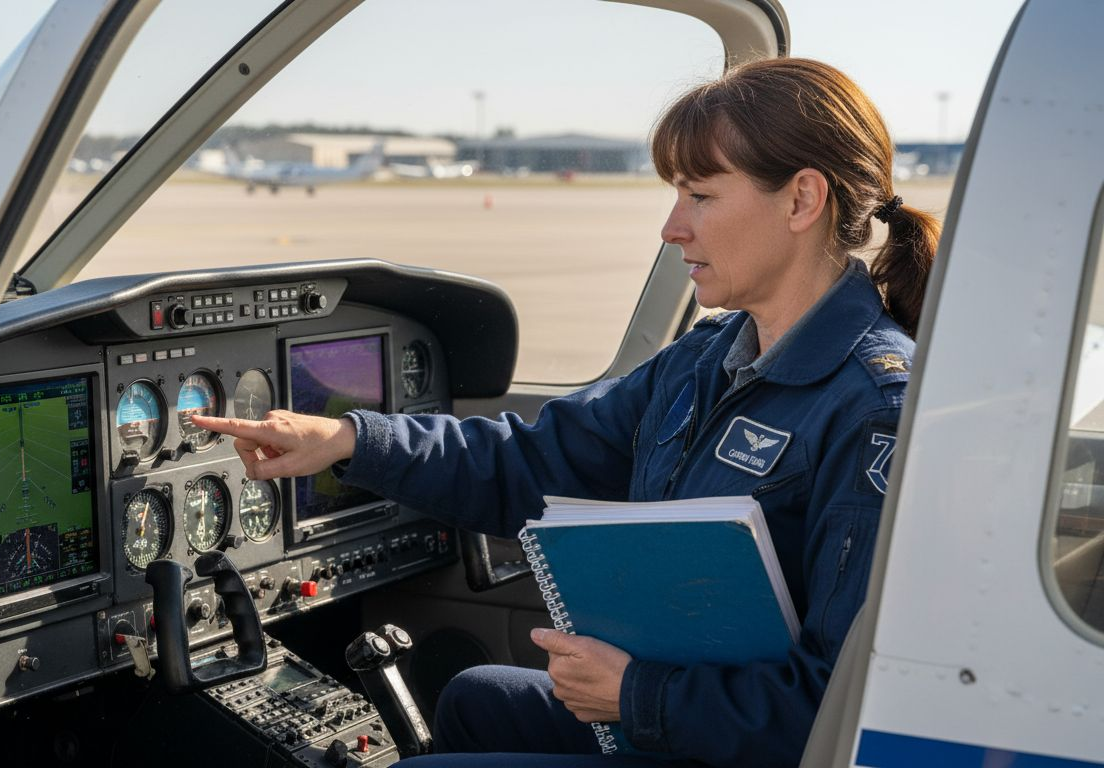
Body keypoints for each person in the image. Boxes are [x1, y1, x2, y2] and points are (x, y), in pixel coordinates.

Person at [192, 58, 940, 767]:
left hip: (742, 745)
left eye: (701, 196)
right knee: (475, 697)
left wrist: (637, 694)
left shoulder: (874, 409)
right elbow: (534, 461)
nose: (672, 226)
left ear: (803, 200)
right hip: (689, 722)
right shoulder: (707, 359)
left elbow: (840, 711)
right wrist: (351, 438)